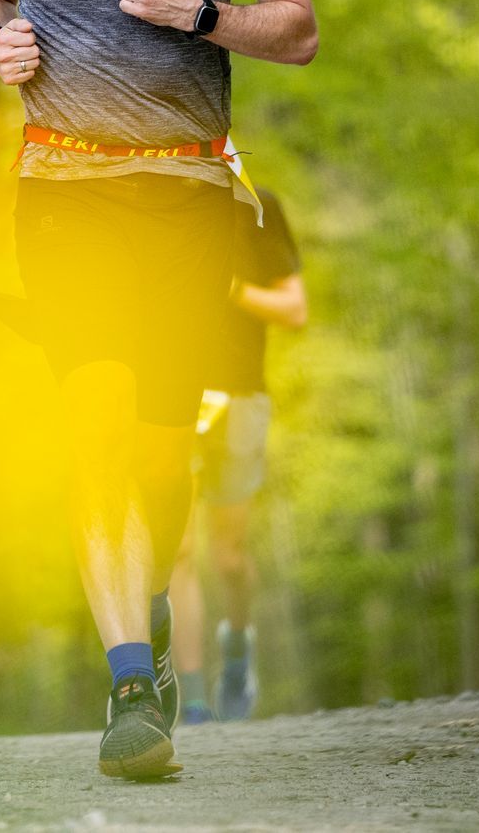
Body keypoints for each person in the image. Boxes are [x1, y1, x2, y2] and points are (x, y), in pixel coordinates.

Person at [0, 0, 317, 779]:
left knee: (161, 454)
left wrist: (199, 14)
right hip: (60, 190)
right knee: (90, 424)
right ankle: (126, 685)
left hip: (187, 194)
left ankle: (147, 609)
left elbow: (296, 30)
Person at [169, 188, 306, 724]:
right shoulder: (160, 201)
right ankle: (195, 698)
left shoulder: (260, 207)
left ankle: (238, 647)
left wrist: (229, 288)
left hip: (241, 395)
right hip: (172, 398)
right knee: (178, 553)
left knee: (228, 556)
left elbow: (294, 309)